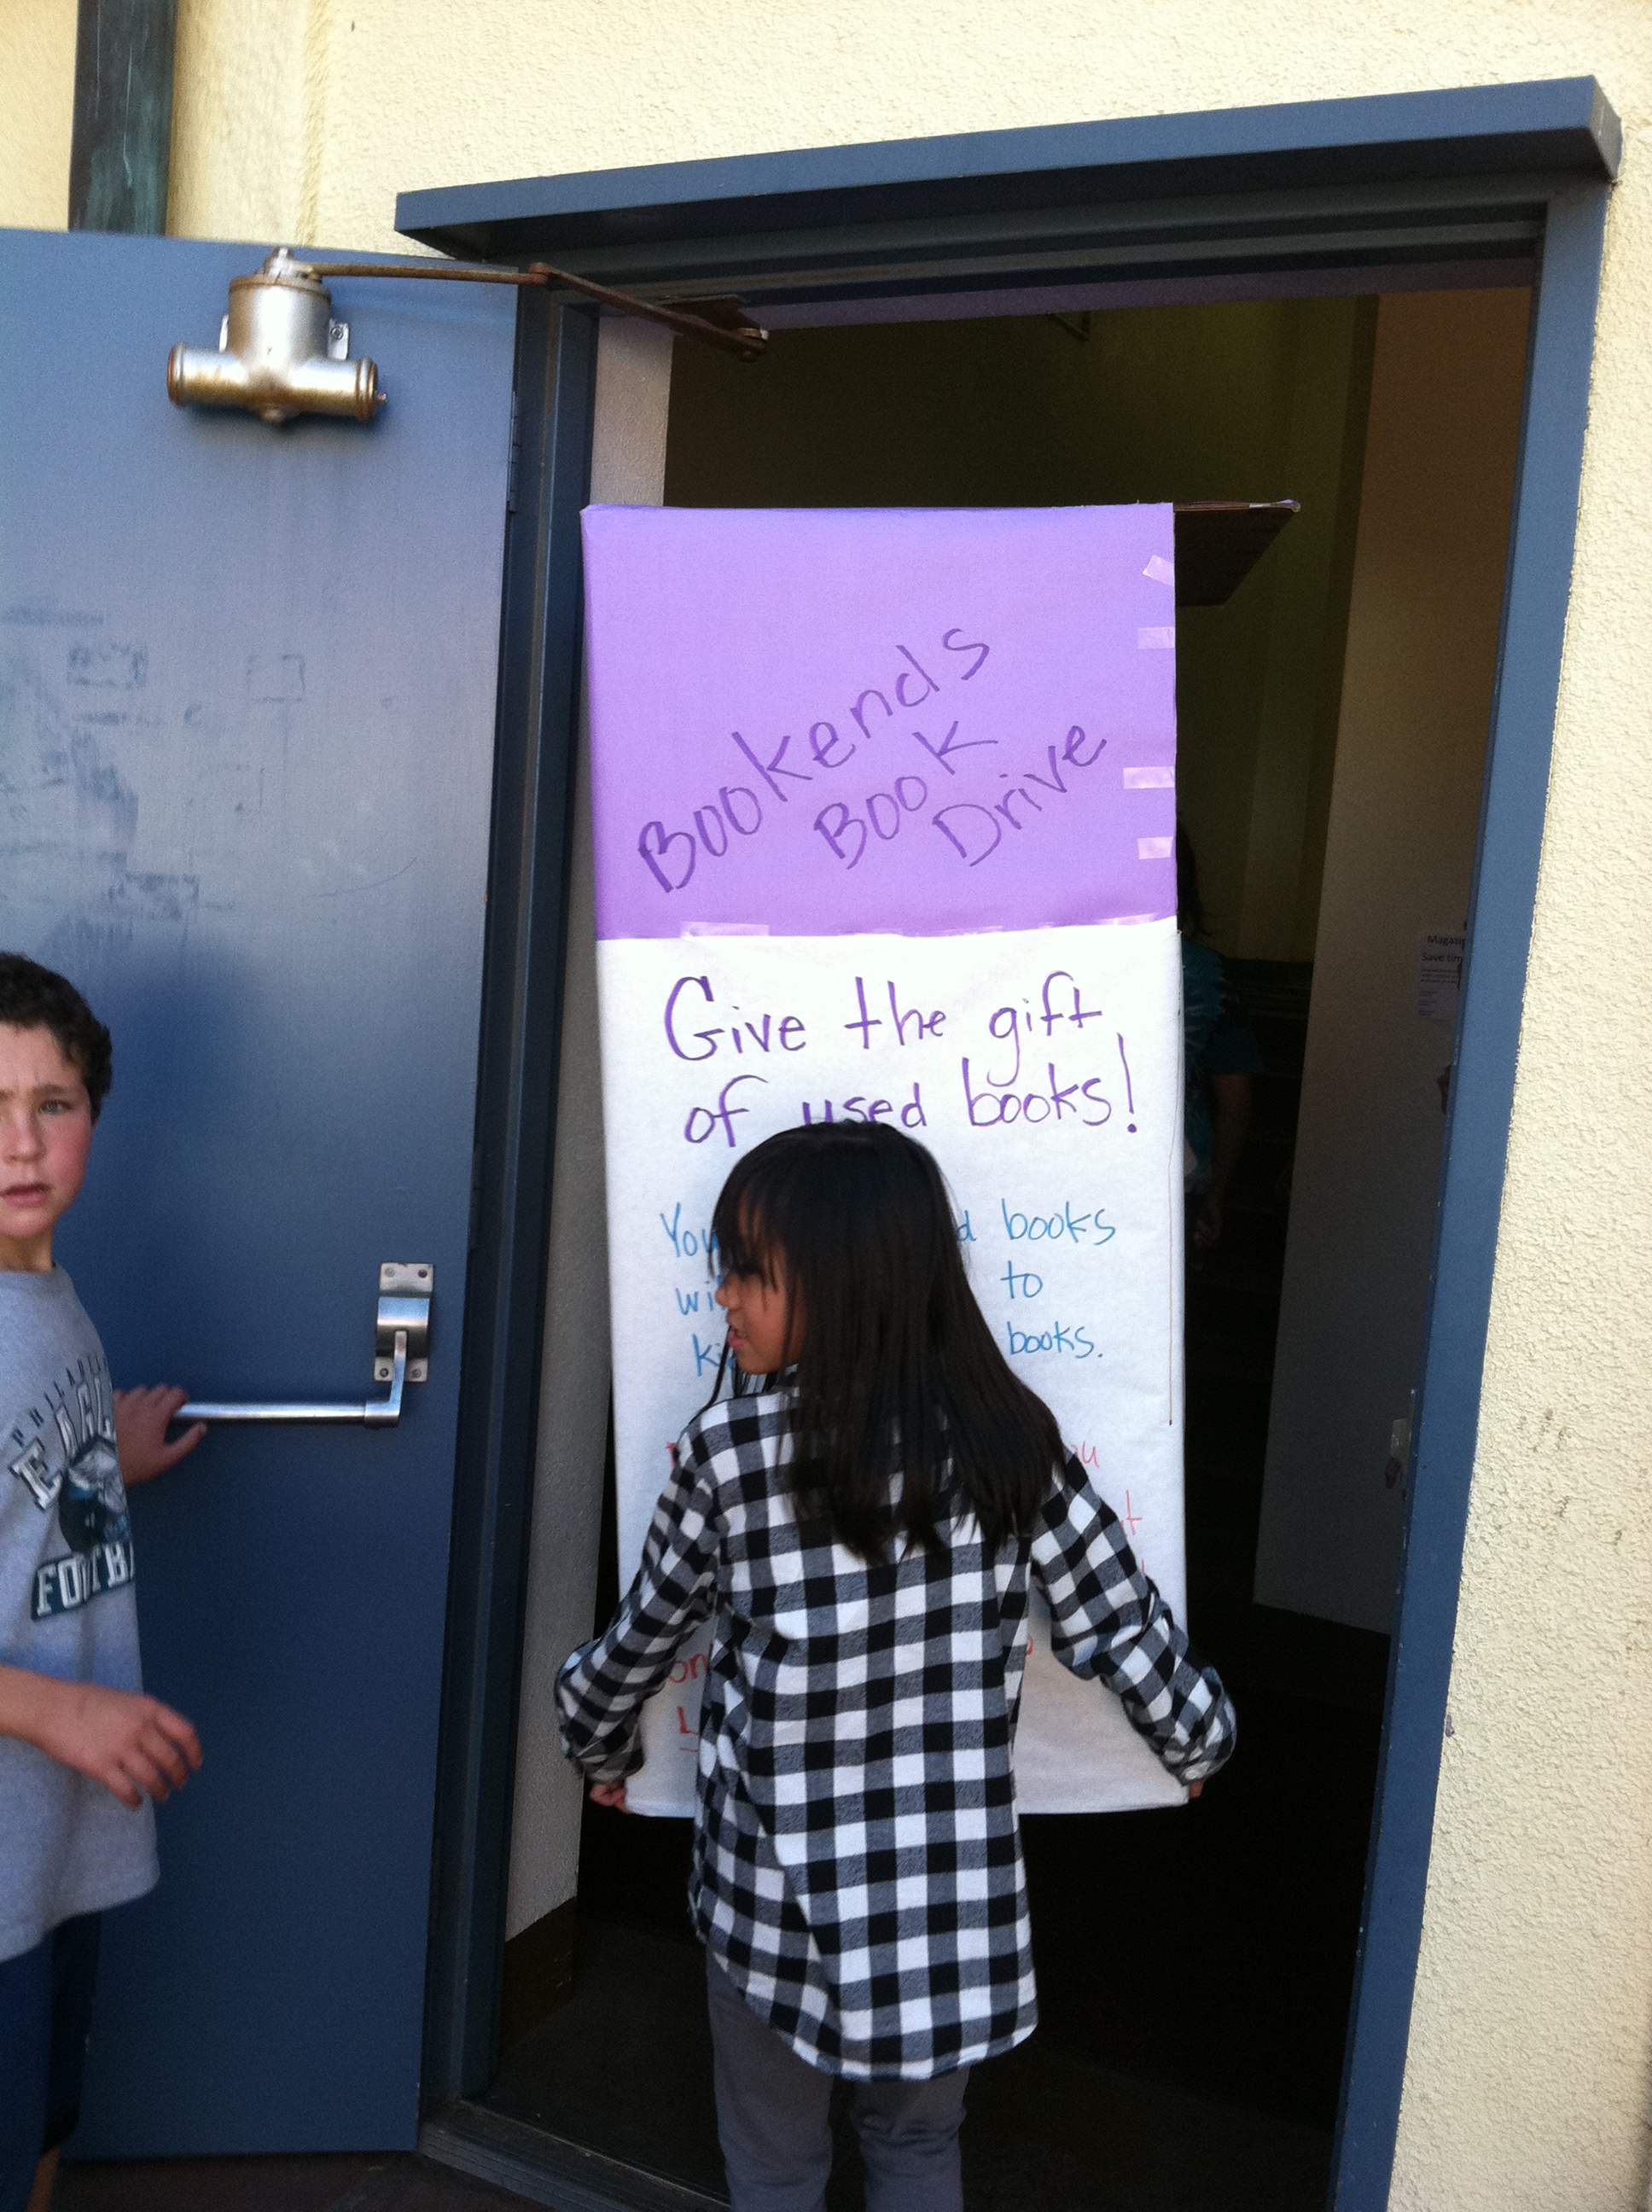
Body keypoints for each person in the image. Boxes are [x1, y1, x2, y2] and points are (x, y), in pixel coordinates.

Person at [556, 1121, 1236, 2212]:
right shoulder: (1007, 1436)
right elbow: (1115, 1615)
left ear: (843, 1284)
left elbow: (645, 1636)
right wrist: (1194, 1738)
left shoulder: (728, 1455)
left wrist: (596, 1744)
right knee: (918, 2148)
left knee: (775, 2164)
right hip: (941, 1899)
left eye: (746, 1271)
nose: (722, 1296)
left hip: (772, 1897)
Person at [0, 954, 206, 2212]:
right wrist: (60, 1710)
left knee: (42, 2113)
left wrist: (100, 1465)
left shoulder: (45, 1298)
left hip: (50, 1841)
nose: (19, 1143)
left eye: (52, 1103)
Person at [1177, 824, 1264, 1252]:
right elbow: (1235, 1102)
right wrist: (1215, 1195)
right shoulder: (1208, 974)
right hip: (1178, 1172)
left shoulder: (1046, 967)